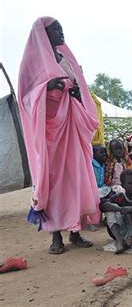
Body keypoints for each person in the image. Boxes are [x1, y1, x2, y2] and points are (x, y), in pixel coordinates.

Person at [19, 17, 101, 253]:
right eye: (55, 29)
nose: (61, 32)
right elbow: (25, 99)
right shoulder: (34, 63)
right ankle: (55, 236)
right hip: (49, 134)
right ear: (43, 34)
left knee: (75, 179)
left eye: (62, 28)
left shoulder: (66, 60)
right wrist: (46, 88)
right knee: (52, 182)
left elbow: (78, 89)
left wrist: (73, 93)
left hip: (71, 129)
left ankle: (75, 231)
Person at [100, 169, 132, 254]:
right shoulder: (118, 197)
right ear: (123, 185)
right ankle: (119, 241)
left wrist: (131, 208)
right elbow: (103, 205)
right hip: (123, 231)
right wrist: (120, 209)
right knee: (111, 209)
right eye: (131, 183)